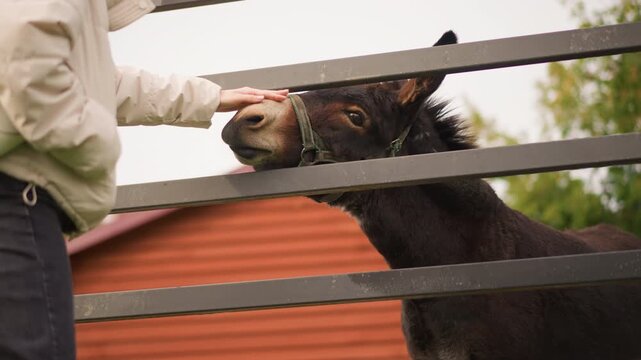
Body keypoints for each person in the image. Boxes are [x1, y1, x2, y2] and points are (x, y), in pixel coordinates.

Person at [0, 0, 288, 359]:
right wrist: (97, 148)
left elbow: (92, 82)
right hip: (17, 196)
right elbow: (28, 61)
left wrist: (209, 98)